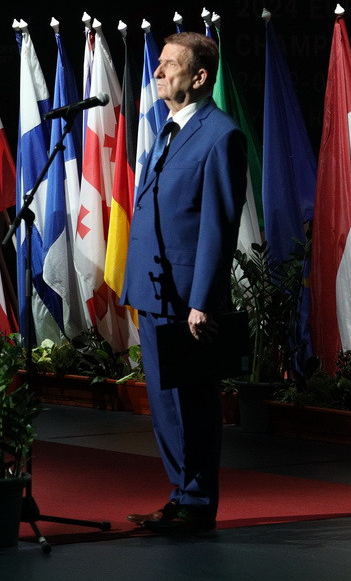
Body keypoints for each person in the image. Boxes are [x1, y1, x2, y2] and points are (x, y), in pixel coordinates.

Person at [121, 32, 247, 532]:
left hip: (188, 299)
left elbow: (218, 225)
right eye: (159, 63)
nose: (157, 72)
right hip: (154, 290)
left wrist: (203, 301)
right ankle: (180, 495)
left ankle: (197, 504)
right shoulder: (168, 129)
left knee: (192, 406)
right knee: (165, 407)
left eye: (170, 64)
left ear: (199, 77)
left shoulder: (220, 135)